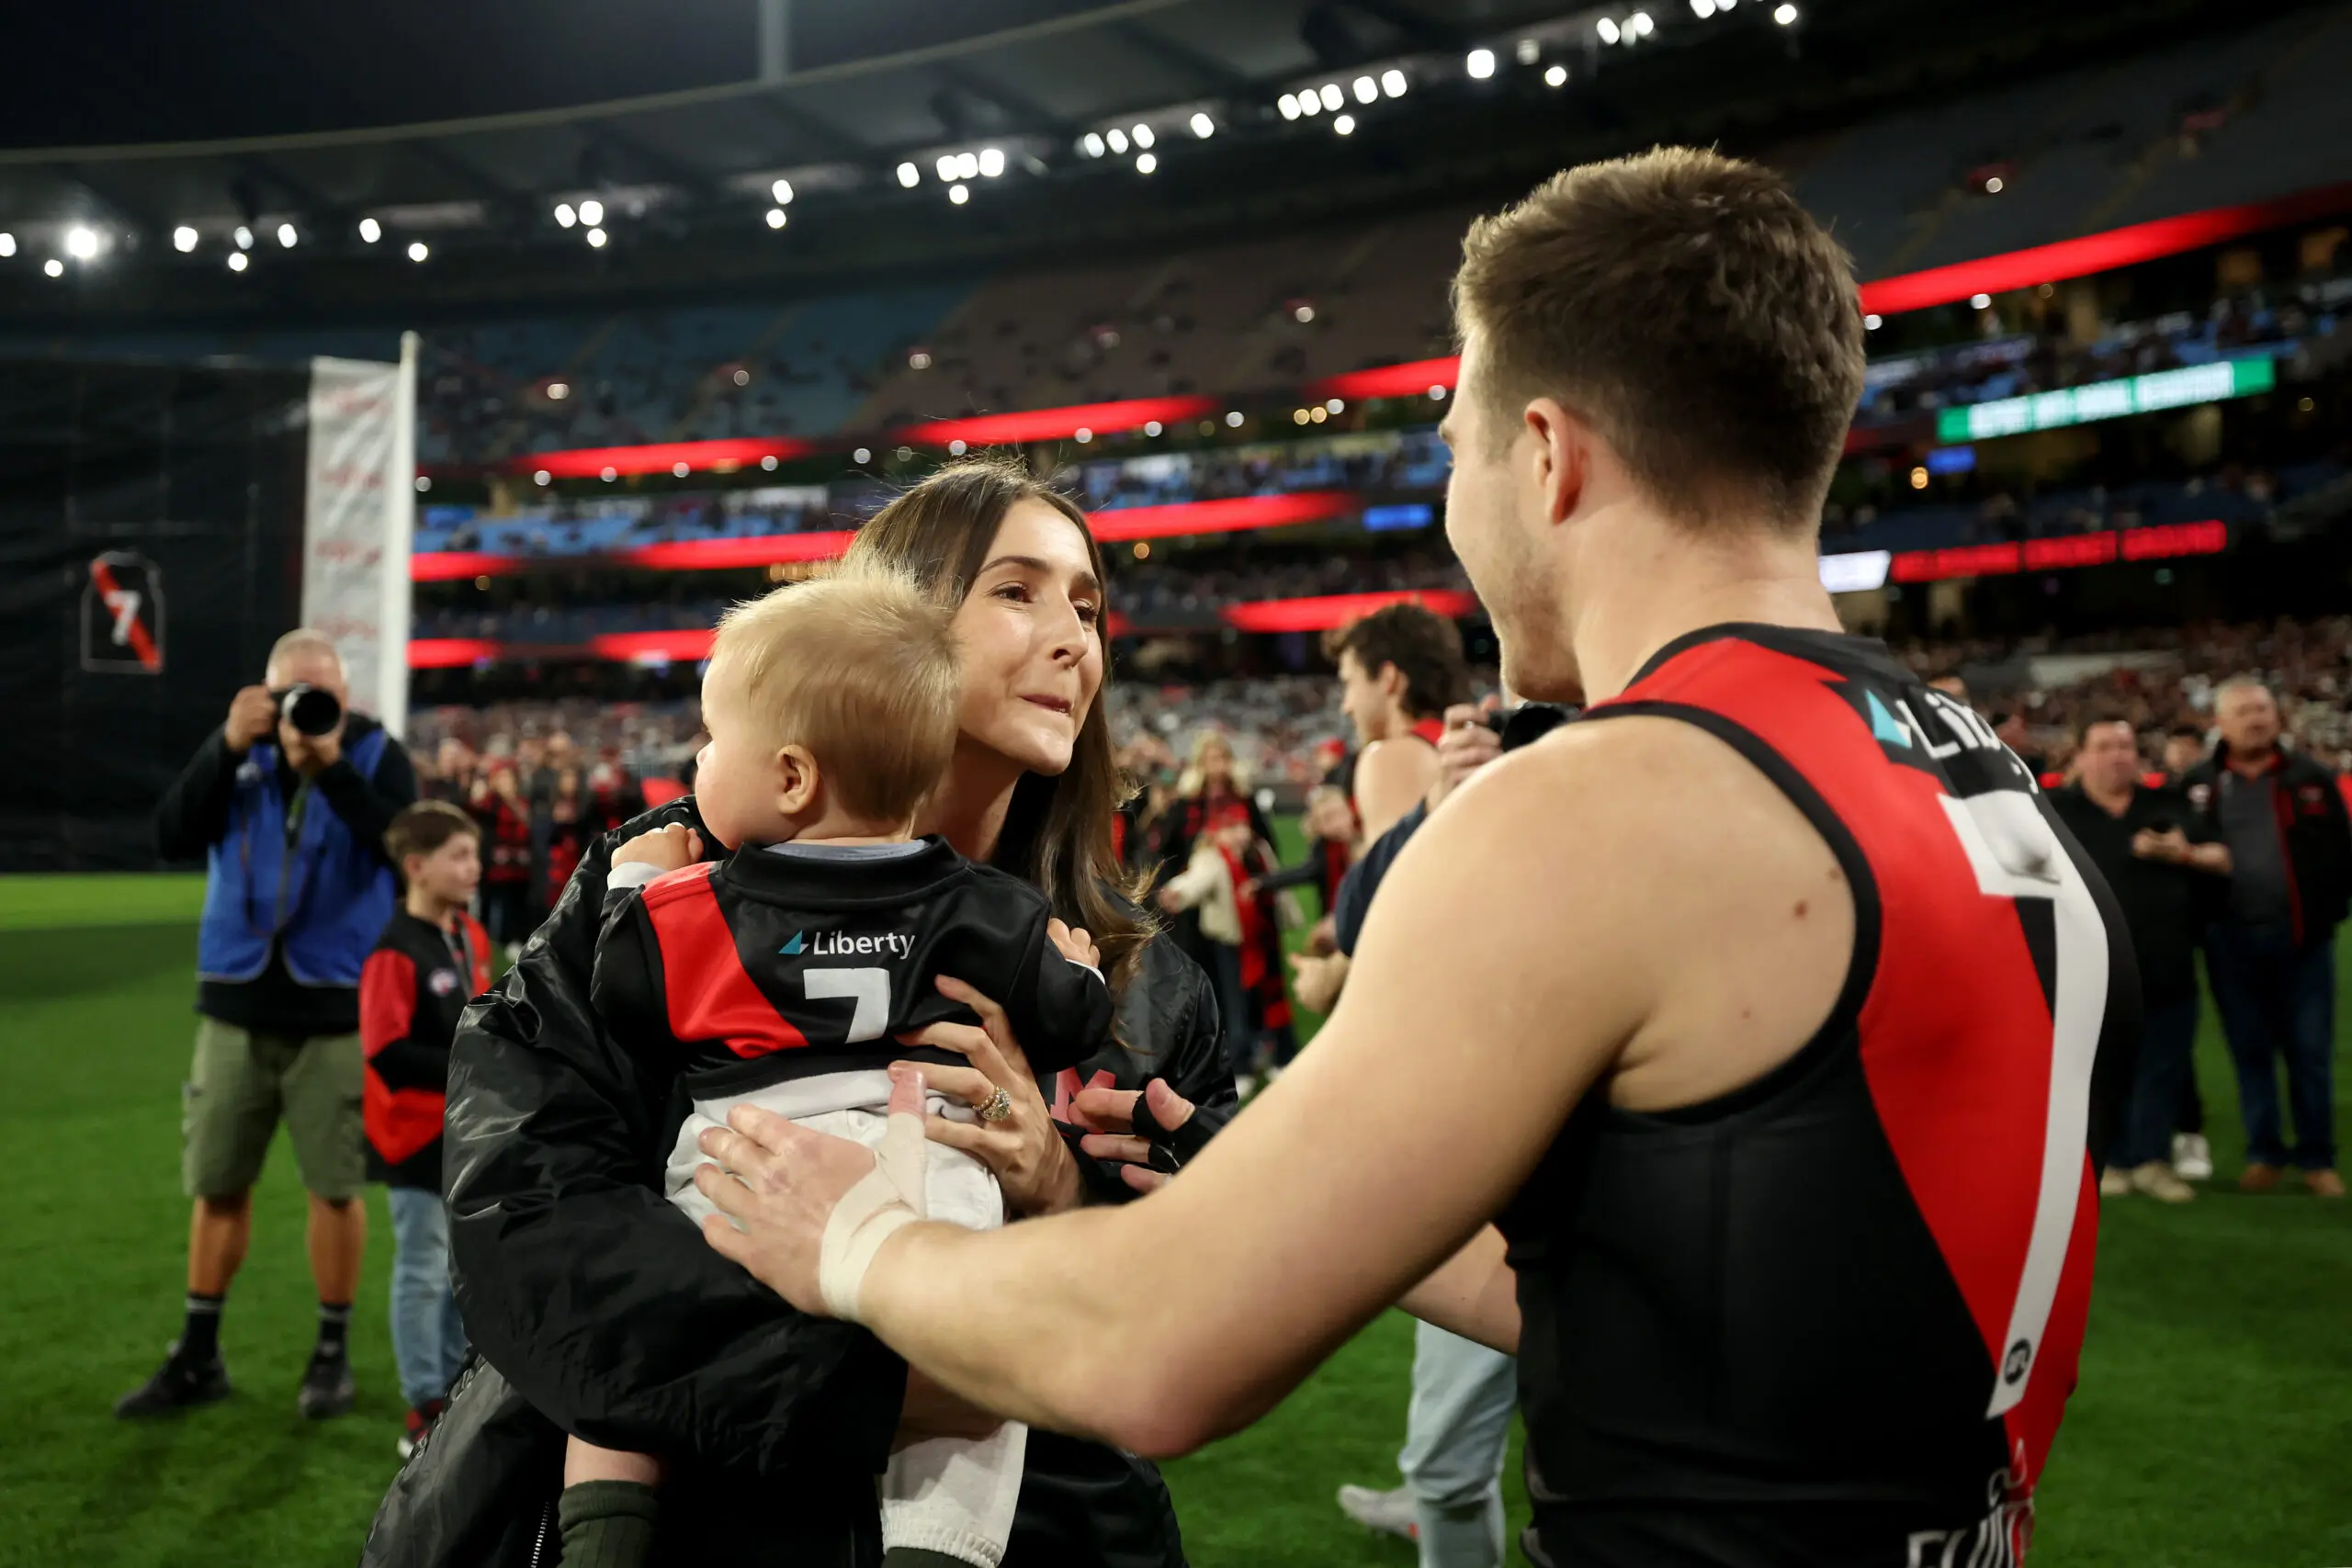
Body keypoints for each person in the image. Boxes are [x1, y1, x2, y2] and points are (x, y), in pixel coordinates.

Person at [683, 149, 2138, 1568]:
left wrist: (858, 1237)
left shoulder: (1600, 804)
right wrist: (1225, 1156)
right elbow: (1686, 1285)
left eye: (1451, 440)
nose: (1451, 496)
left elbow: (1156, 1351)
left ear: (1549, 457)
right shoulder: (1981, 769)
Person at [368, 459, 1238, 1568]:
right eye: (1016, 591)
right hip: (684, 1523)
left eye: (1087, 603)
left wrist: (1057, 1187)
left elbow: (1182, 1314)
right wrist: (908, 1380)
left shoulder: (1135, 979)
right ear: (889, 621)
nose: (1074, 638)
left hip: (1031, 1531)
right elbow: (531, 1228)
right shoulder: (662, 887)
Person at [563, 567, 1115, 1568]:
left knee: (634, 1330)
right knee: (979, 1364)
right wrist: (1078, 974)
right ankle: (938, 1546)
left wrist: (637, 882)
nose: (697, 758)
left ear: (789, 779)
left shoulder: (708, 901)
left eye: (711, 739)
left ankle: (606, 1526)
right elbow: (1067, 1015)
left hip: (742, 1163)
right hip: (922, 1159)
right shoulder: (975, 901)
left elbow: (620, 987)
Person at [124, 629, 418, 1420]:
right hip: (234, 1003)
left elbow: (407, 850)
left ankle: (330, 1352)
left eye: (323, 694)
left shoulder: (375, 754)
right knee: (217, 1183)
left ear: (347, 698)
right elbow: (168, 835)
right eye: (293, 694)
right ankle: (197, 1350)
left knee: (334, 1189)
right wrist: (224, 746)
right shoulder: (237, 752)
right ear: (267, 694)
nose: (307, 710)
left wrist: (331, 771)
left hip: (332, 1009)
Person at [1332, 703, 1561, 1568]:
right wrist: (1435, 814)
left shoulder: (1642, 753)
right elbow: (1362, 923)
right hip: (1490, 1177)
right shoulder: (1511, 744)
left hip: (1554, 1181)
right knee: (1461, 1461)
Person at [2050, 715, 2229, 1203]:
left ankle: (2150, 1161)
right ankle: (2112, 1160)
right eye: (2105, 746)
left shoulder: (2165, 805)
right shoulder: (2055, 812)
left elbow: (2222, 856)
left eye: (2125, 746)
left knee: (2163, 1068)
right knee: (2102, 1072)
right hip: (2088, 971)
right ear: (2081, 755)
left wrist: (2183, 852)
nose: (2118, 756)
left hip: (2167, 963)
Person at [2180, 679, 2350, 1197]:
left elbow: (2342, 854)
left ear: (2277, 716)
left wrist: (2327, 915)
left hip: (2303, 942)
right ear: (2221, 724)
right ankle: (2265, 1153)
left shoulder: (2311, 778)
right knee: (2250, 1052)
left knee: (2310, 1053)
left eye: (2262, 709)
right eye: (2244, 712)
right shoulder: (2197, 785)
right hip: (2230, 944)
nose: (2256, 719)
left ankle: (2317, 1158)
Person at [361, 802, 492, 1457]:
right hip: (411, 1137)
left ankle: (452, 1386)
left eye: (474, 854)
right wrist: (473, 1061)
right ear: (417, 866)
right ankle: (423, 1405)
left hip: (461, 1131)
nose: (474, 867)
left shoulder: (469, 934)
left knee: (458, 1265)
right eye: (459, 856)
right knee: (422, 1269)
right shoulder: (395, 951)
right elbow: (385, 1050)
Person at [1327, 604, 1471, 840]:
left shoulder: (1390, 758)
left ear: (1387, 678)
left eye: (1350, 683)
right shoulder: (1460, 746)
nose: (1347, 706)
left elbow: (1393, 874)